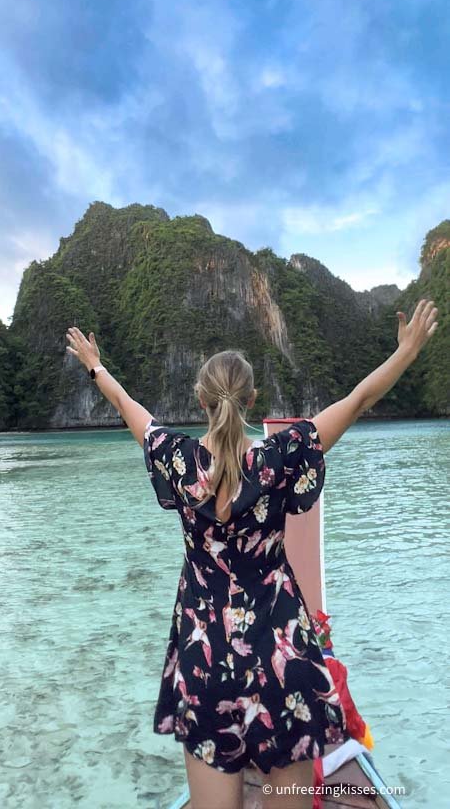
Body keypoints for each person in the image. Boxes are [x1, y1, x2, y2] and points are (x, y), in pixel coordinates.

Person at [66, 298, 438, 809]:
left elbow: (126, 404)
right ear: (251, 399)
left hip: (206, 655)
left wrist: (94, 365)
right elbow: (357, 400)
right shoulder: (280, 458)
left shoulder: (177, 459)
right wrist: (407, 353)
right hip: (282, 651)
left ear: (201, 401)